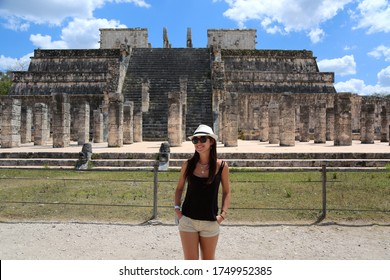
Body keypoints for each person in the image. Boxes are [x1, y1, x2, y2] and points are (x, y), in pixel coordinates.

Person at [174, 124, 231, 260]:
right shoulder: (188, 164)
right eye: (195, 140)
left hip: (210, 222)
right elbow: (179, 188)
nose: (198, 143)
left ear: (211, 141)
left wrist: (222, 215)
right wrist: (177, 209)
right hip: (188, 220)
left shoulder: (222, 166)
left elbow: (227, 191)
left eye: (202, 139)